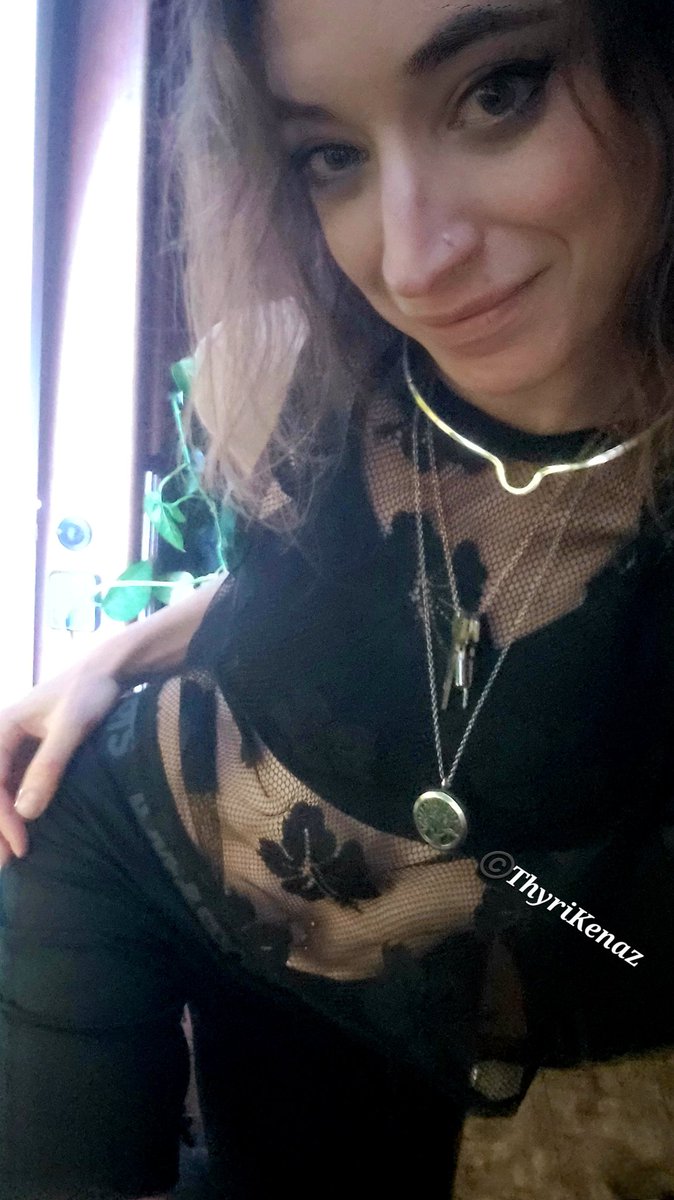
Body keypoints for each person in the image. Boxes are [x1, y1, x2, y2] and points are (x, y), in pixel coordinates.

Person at [2, 0, 674, 1196]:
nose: (410, 261)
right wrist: (117, 656)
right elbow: (325, 598)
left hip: (460, 993)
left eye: (498, 92)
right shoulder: (305, 381)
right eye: (329, 154)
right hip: (134, 865)